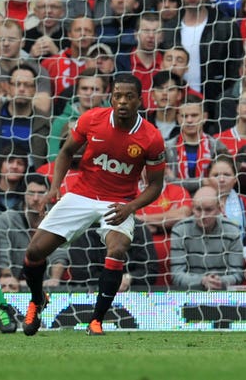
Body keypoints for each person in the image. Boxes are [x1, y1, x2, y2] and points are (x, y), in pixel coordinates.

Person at [20, 74, 166, 336]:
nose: (122, 101)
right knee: (34, 252)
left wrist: (131, 207)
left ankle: (96, 320)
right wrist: (54, 188)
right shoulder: (92, 120)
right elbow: (65, 152)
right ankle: (37, 299)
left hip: (119, 201)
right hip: (82, 194)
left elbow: (156, 186)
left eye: (129, 97)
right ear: (111, 97)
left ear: (139, 100)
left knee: (118, 248)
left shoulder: (151, 138)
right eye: (118, 96)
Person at [170, 186, 245, 290]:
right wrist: (202, 280)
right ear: (192, 208)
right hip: (191, 292)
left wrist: (219, 281)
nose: (202, 215)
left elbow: (237, 275)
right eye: (198, 209)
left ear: (220, 209)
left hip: (222, 292)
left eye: (208, 210)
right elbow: (176, 276)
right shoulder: (180, 230)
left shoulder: (232, 231)